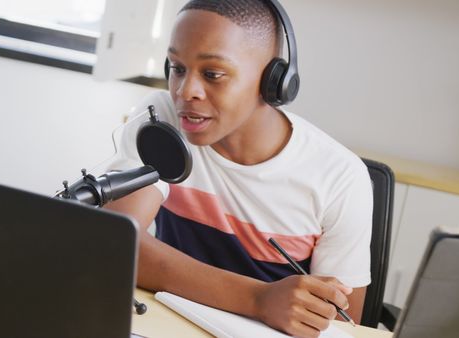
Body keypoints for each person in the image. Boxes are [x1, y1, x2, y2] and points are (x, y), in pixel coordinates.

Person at [105, 1, 373, 337]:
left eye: (212, 74)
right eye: (177, 68)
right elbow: (116, 241)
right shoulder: (160, 121)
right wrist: (259, 298)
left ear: (272, 82)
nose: (186, 92)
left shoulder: (340, 177)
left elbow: (338, 325)